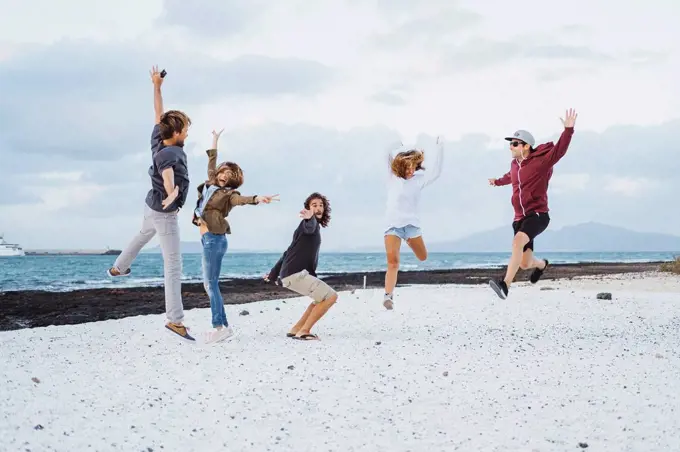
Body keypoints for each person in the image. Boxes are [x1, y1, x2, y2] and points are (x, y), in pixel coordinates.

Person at [107, 66, 194, 341]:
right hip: (165, 212)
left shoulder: (159, 138)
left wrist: (157, 87)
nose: (188, 134)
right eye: (187, 130)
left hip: (151, 206)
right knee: (173, 265)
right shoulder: (169, 153)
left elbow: (159, 115)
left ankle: (118, 267)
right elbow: (168, 175)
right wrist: (171, 194)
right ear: (177, 131)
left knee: (144, 233)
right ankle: (175, 320)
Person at [192, 128, 278, 344]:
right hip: (208, 238)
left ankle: (220, 327)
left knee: (211, 284)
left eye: (229, 176)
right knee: (210, 284)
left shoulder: (229, 194)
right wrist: (215, 139)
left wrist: (257, 198)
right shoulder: (211, 182)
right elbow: (212, 161)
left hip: (215, 238)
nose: (223, 176)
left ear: (233, 181)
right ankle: (222, 326)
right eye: (222, 172)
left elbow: (241, 200)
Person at [488, 108, 578, 299]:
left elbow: (559, 151)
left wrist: (568, 130)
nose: (510, 147)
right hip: (519, 218)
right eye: (510, 144)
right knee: (524, 263)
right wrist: (497, 181)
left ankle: (505, 285)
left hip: (537, 215)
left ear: (526, 146)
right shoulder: (515, 165)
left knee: (516, 243)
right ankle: (541, 265)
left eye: (514, 143)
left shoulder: (540, 162)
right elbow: (510, 177)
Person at [263, 193, 337, 341]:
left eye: (321, 205)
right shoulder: (308, 225)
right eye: (314, 205)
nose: (318, 208)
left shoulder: (307, 227)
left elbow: (287, 252)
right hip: (296, 274)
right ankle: (305, 331)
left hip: (290, 274)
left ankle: (296, 329)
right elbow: (310, 227)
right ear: (308, 209)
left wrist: (272, 275)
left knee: (318, 300)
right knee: (331, 296)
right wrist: (309, 218)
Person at [382, 137, 444, 310]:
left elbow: (437, 172)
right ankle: (388, 296)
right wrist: (397, 143)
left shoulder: (419, 179)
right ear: (400, 166)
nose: (410, 171)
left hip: (411, 226)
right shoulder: (392, 178)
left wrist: (440, 147)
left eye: (413, 167)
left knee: (423, 257)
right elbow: (385, 153)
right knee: (393, 262)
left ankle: (408, 241)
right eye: (407, 167)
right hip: (392, 225)